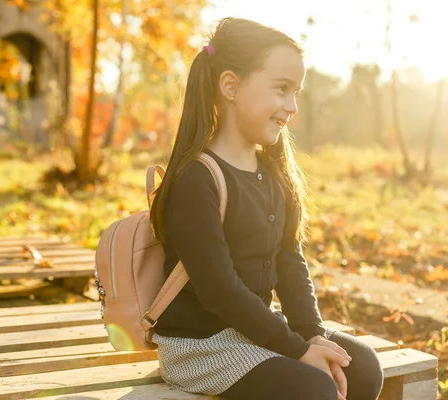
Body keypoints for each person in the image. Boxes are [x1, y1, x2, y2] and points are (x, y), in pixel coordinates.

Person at [149, 17, 384, 400]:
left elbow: (290, 261)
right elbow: (219, 290)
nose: (292, 106)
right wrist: (296, 350)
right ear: (230, 86)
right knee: (314, 389)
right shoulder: (195, 180)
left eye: (296, 93)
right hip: (203, 347)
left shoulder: (274, 174)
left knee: (362, 368)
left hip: (255, 330)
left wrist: (311, 334)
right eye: (281, 89)